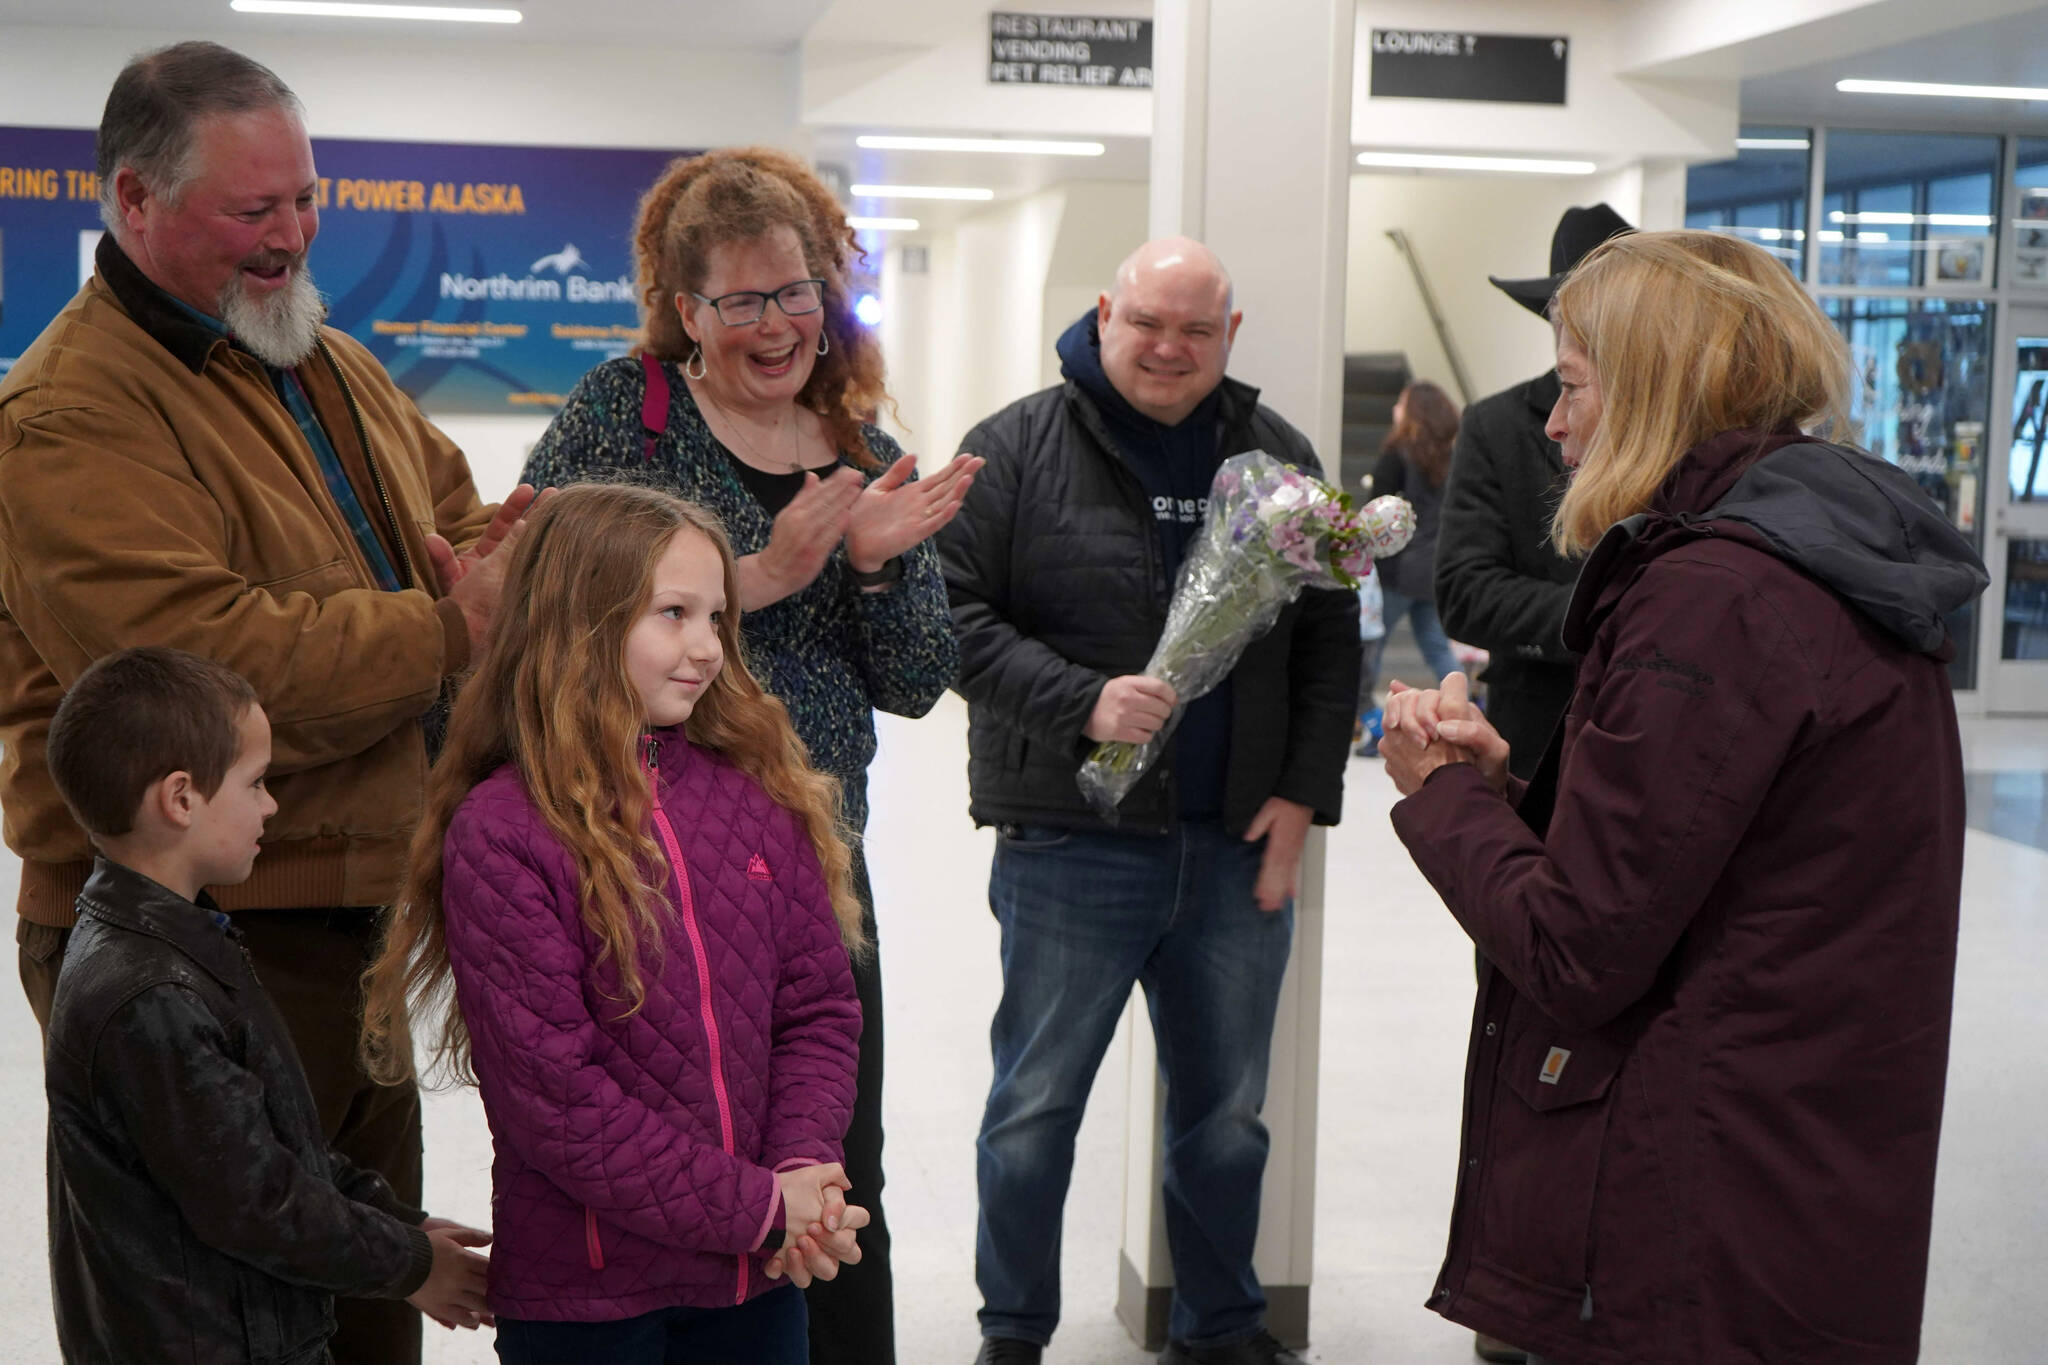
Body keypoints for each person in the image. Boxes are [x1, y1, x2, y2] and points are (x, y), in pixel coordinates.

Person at [0, 42, 531, 1363]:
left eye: (306, 197)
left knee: (357, 1311)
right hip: (191, 937)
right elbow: (194, 678)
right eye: (255, 210)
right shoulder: (68, 416)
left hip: (344, 916)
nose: (293, 234)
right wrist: (453, 626)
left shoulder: (324, 361)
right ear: (133, 200)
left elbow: (454, 525)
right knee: (229, 1318)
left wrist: (516, 559)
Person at [1379, 229, 1987, 1365]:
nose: (1551, 425)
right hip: (1800, 1164)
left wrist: (1442, 798)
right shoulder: (1826, 560)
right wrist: (1510, 789)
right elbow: (1710, 863)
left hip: (1695, 1197)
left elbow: (1575, 949)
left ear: (1656, 387)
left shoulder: (1712, 598)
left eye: (1569, 387)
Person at [520, 148, 975, 1364]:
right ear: (685, 310)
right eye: (740, 301)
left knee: (832, 1159)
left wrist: (872, 564)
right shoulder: (624, 415)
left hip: (815, 872)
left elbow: (919, 682)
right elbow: (549, 609)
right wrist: (762, 577)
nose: (775, 327)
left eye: (795, 295)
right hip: (638, 858)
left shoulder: (860, 445)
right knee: (671, 1152)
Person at [938, 237, 1361, 1365]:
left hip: (1230, 845)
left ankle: (1221, 1329)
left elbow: (1326, 640)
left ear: (1229, 335)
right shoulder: (1013, 448)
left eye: (1194, 329)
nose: (1167, 348)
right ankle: (1012, 1331)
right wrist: (1080, 702)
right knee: (1032, 1115)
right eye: (1146, 323)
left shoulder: (1277, 454)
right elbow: (950, 621)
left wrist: (1300, 797)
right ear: (1102, 316)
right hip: (1068, 846)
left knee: (1224, 1121)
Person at [360, 484, 869, 1365]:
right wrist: (754, 1205)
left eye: (716, 616)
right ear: (581, 623)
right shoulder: (505, 830)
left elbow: (818, 1006)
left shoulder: (756, 794)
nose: (708, 647)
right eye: (673, 614)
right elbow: (557, 1101)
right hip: (590, 1298)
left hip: (754, 1278)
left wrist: (799, 1172)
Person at [42, 647, 494, 1364]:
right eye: (256, 783)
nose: (271, 803)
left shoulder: (179, 938)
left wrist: (399, 1224)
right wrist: (410, 1263)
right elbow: (260, 1202)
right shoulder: (151, 995)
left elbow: (277, 1142)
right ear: (181, 798)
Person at [1434, 204, 1632, 786]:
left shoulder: (1684, 430)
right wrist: (1614, 614)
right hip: (1536, 737)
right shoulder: (1496, 425)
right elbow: (1465, 592)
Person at [1356, 379, 1464, 756]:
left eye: (1400, 404)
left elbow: (1375, 513)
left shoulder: (1397, 453)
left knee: (1367, 649)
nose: (1393, 411)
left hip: (1398, 571)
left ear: (1413, 410)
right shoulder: (1454, 456)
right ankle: (1462, 714)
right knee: (1437, 646)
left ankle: (1372, 726)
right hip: (1434, 570)